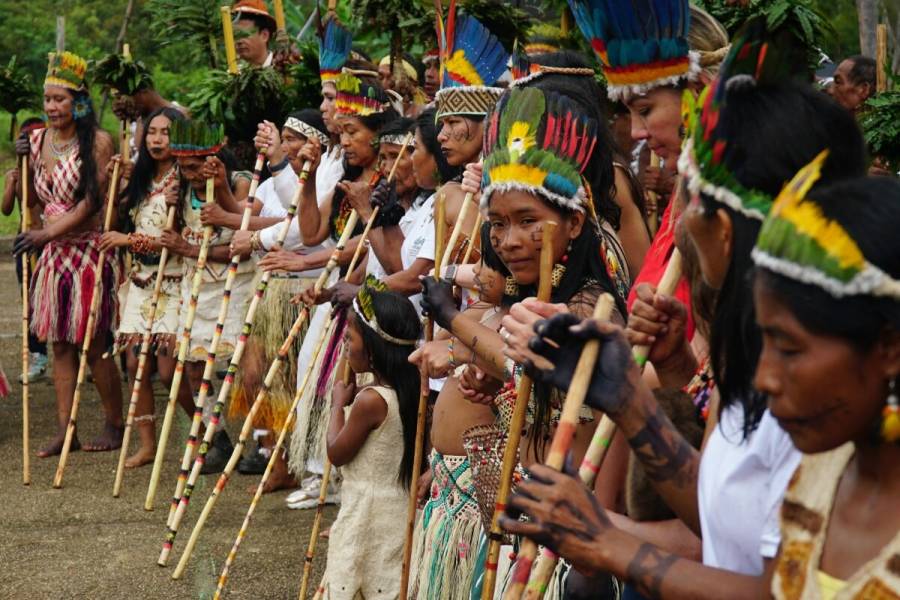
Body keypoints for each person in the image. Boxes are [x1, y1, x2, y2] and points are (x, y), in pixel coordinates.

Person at [500, 20, 869, 599]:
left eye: (686, 196)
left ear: (721, 230)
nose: (674, 216)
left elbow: (778, 586)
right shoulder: (756, 342)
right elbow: (729, 516)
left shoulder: (827, 384)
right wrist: (632, 395)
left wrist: (611, 541)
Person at [750, 171, 900, 598]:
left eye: (789, 350)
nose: (764, 378)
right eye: (764, 342)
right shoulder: (818, 472)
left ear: (890, 347)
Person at [14, 51, 124, 457]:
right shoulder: (39, 139)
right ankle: (67, 429)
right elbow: (29, 195)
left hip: (88, 250)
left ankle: (115, 423)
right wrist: (23, 159)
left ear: (78, 101)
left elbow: (91, 203)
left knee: (94, 342)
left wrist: (47, 233)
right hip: (52, 252)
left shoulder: (97, 141)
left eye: (60, 100)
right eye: (47, 100)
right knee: (59, 343)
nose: (52, 108)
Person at [98, 107, 195, 468]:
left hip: (173, 281)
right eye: (152, 132)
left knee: (170, 371)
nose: (157, 139)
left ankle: (205, 433)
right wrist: (115, 185)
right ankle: (147, 444)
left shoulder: (186, 179)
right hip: (139, 283)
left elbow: (173, 240)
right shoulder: (139, 179)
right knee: (135, 363)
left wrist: (128, 240)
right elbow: (112, 225)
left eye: (166, 133)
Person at [158, 119, 255, 473]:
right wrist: (172, 221)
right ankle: (217, 439)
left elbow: (242, 246)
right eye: (184, 168)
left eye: (197, 166)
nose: (191, 174)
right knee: (195, 366)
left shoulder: (241, 181)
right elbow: (173, 238)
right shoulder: (180, 191)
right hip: (196, 286)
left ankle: (254, 439)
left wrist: (185, 245)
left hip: (235, 284)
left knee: (239, 365)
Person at [319, 284, 422, 599]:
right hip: (398, 509)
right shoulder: (416, 388)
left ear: (374, 349)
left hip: (367, 511)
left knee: (356, 579)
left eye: (350, 339)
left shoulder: (370, 400)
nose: (346, 347)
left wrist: (338, 404)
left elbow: (337, 453)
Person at [4, 117, 50, 383]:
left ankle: (78, 353)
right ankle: (37, 355)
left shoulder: (50, 169)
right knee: (30, 301)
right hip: (25, 244)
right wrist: (12, 182)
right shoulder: (17, 171)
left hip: (48, 240)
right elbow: (6, 209)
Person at [231, 0, 277, 69]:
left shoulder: (283, 69)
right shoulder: (233, 74)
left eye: (245, 35)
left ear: (264, 35)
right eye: (235, 35)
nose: (239, 41)